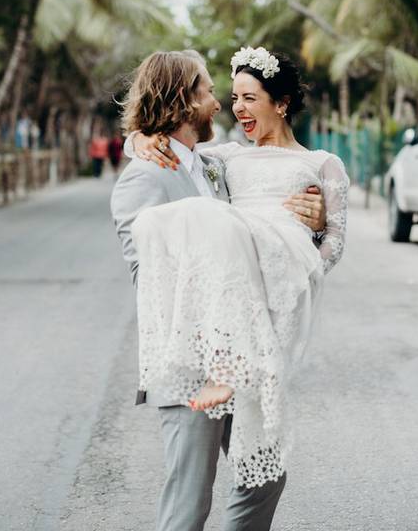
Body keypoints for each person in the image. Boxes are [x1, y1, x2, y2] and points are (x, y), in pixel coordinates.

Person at [109, 49, 330, 531]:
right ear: (181, 101)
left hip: (242, 355)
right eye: (209, 91)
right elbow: (145, 275)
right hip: (188, 364)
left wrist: (314, 226)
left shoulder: (214, 168)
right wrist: (138, 143)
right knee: (189, 505)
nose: (219, 104)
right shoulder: (143, 178)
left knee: (264, 479)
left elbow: (259, 234)